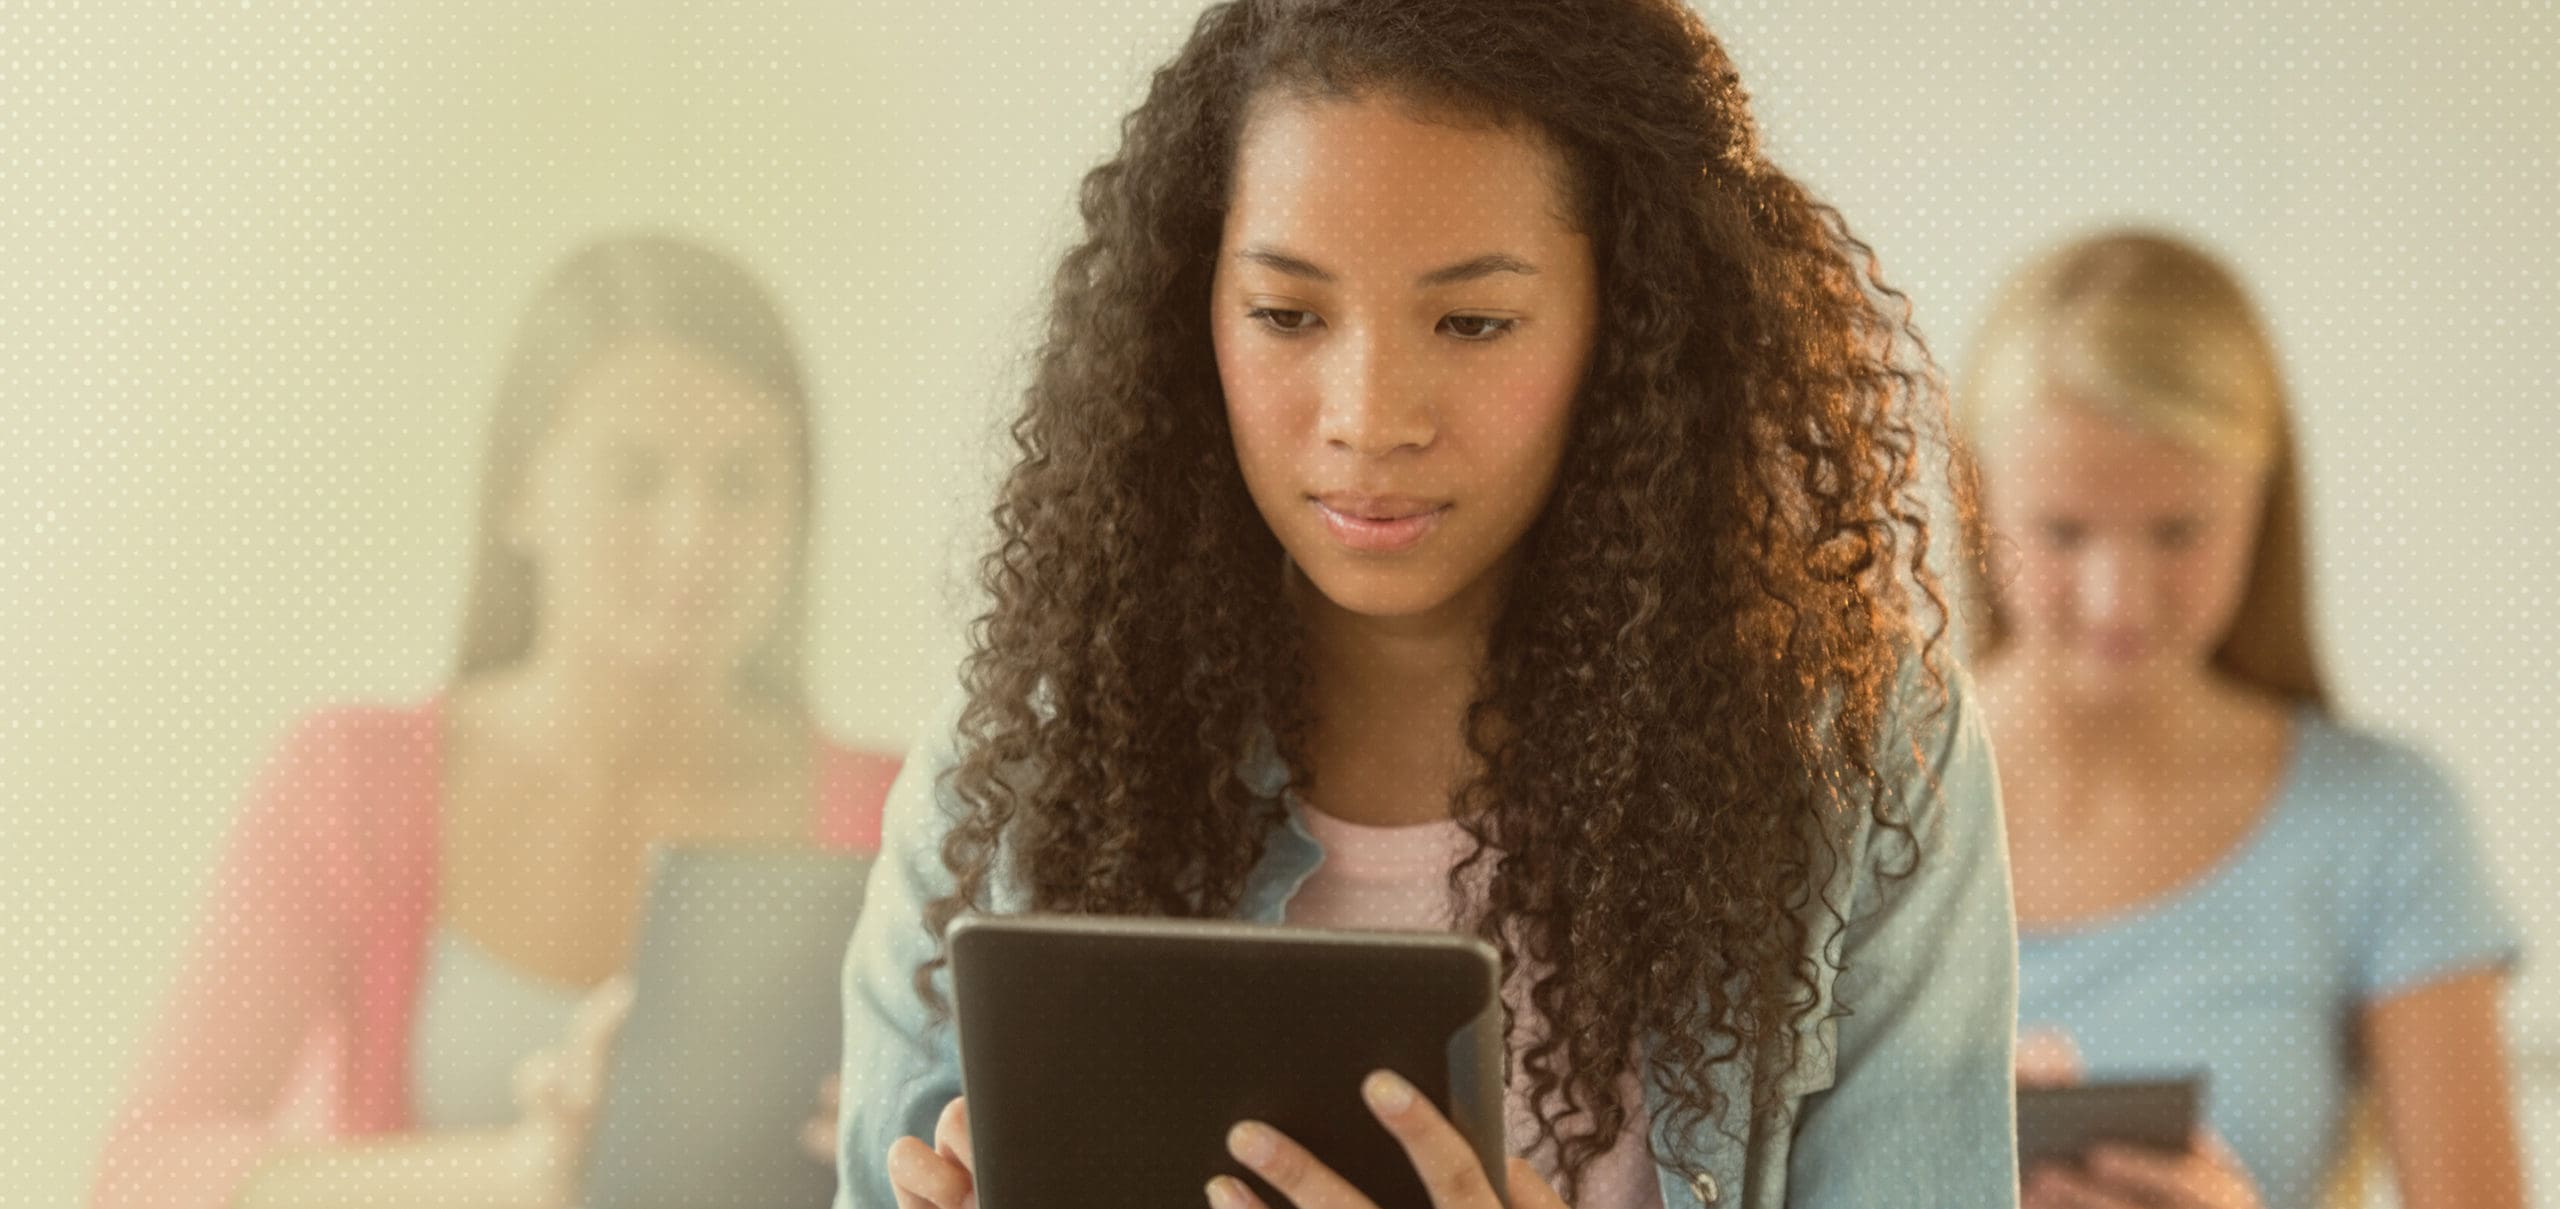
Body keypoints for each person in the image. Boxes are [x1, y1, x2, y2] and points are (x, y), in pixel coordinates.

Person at [836, 2, 2020, 1207]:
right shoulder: (1032, 758)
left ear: (1634, 328)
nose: (1369, 414)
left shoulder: (1858, 757)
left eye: (1473, 323)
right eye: (1287, 315)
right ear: (1190, 312)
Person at [91, 232, 900, 1209]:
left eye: (741, 483)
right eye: (634, 476)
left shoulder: (904, 814)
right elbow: (143, 1175)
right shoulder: (351, 781)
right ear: (522, 490)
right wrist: (517, 1176)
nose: (692, 533)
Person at [1956, 229, 2528, 1209]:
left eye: (2177, 532)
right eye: (2062, 532)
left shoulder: (2383, 823)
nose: (2117, 601)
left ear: (2261, 506)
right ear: (1973, 497)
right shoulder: (1840, 796)